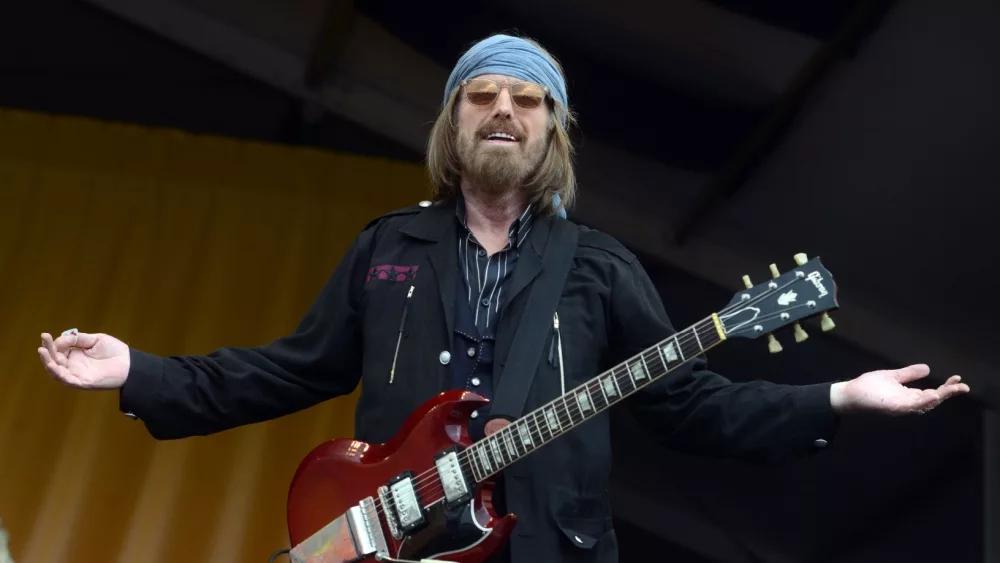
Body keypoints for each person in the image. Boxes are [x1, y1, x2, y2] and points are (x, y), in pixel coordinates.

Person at [37, 33, 969, 563]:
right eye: (481, 95)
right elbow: (290, 368)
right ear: (453, 123)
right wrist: (142, 370)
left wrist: (839, 396)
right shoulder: (389, 246)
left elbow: (688, 407)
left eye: (527, 100)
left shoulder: (598, 267)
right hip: (390, 536)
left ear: (551, 131)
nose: (503, 112)